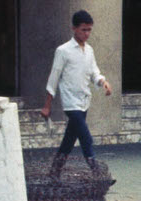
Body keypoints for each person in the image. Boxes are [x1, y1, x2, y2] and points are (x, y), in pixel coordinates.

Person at [41, 10, 113, 177]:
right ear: (74, 28)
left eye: (89, 30)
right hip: (70, 103)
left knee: (69, 141)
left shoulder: (89, 51)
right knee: (86, 139)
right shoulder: (63, 51)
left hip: (84, 101)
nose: (87, 33)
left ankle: (54, 172)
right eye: (83, 30)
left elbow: (94, 72)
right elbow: (54, 77)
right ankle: (98, 174)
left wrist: (104, 82)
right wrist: (47, 105)